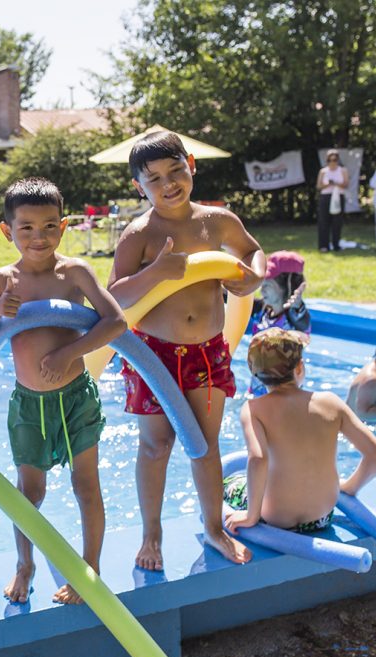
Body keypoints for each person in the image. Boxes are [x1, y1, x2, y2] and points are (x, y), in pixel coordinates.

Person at [109, 131, 265, 571]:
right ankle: (151, 534)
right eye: (154, 178)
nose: (169, 183)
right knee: (156, 446)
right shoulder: (139, 234)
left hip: (208, 352)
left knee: (205, 444)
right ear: (140, 186)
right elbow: (114, 295)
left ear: (191, 164)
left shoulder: (217, 221)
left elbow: (252, 252)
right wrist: (157, 272)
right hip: (153, 356)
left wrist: (251, 278)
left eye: (175, 170)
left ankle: (214, 528)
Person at [0, 177, 127, 604]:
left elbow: (116, 323)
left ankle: (88, 570)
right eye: (27, 228)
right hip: (28, 407)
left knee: (86, 486)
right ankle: (25, 565)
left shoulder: (74, 272)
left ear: (65, 225)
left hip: (76, 397)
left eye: (50, 226)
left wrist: (69, 354)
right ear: (7, 230)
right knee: (29, 492)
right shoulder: (4, 280)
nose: (39, 237)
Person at [224, 328, 376, 534]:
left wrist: (251, 515)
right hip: (321, 516)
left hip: (275, 518)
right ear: (299, 367)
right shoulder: (331, 402)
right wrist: (348, 488)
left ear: (254, 373)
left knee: (229, 482)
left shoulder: (254, 409)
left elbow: (257, 459)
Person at [248, 251, 311, 397]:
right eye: (261, 283)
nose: (262, 289)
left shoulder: (293, 317)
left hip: (286, 396)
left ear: (287, 287)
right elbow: (228, 297)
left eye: (267, 285)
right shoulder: (262, 310)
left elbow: (303, 323)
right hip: (258, 391)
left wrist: (298, 306)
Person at [315, 149, 348, 253]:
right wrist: (327, 184)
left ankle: (336, 245)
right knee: (323, 222)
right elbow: (319, 186)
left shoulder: (343, 170)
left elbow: (346, 184)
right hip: (325, 197)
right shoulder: (323, 171)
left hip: (338, 197)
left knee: (337, 222)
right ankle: (323, 246)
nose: (332, 162)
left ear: (337, 160)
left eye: (334, 160)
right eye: (330, 160)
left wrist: (336, 183)